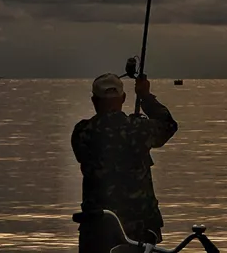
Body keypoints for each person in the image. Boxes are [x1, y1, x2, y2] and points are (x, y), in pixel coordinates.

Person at [71, 73, 179, 253]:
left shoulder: (82, 132)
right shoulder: (139, 129)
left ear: (94, 100)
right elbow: (168, 125)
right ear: (123, 98)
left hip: (96, 227)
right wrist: (145, 96)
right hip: (139, 231)